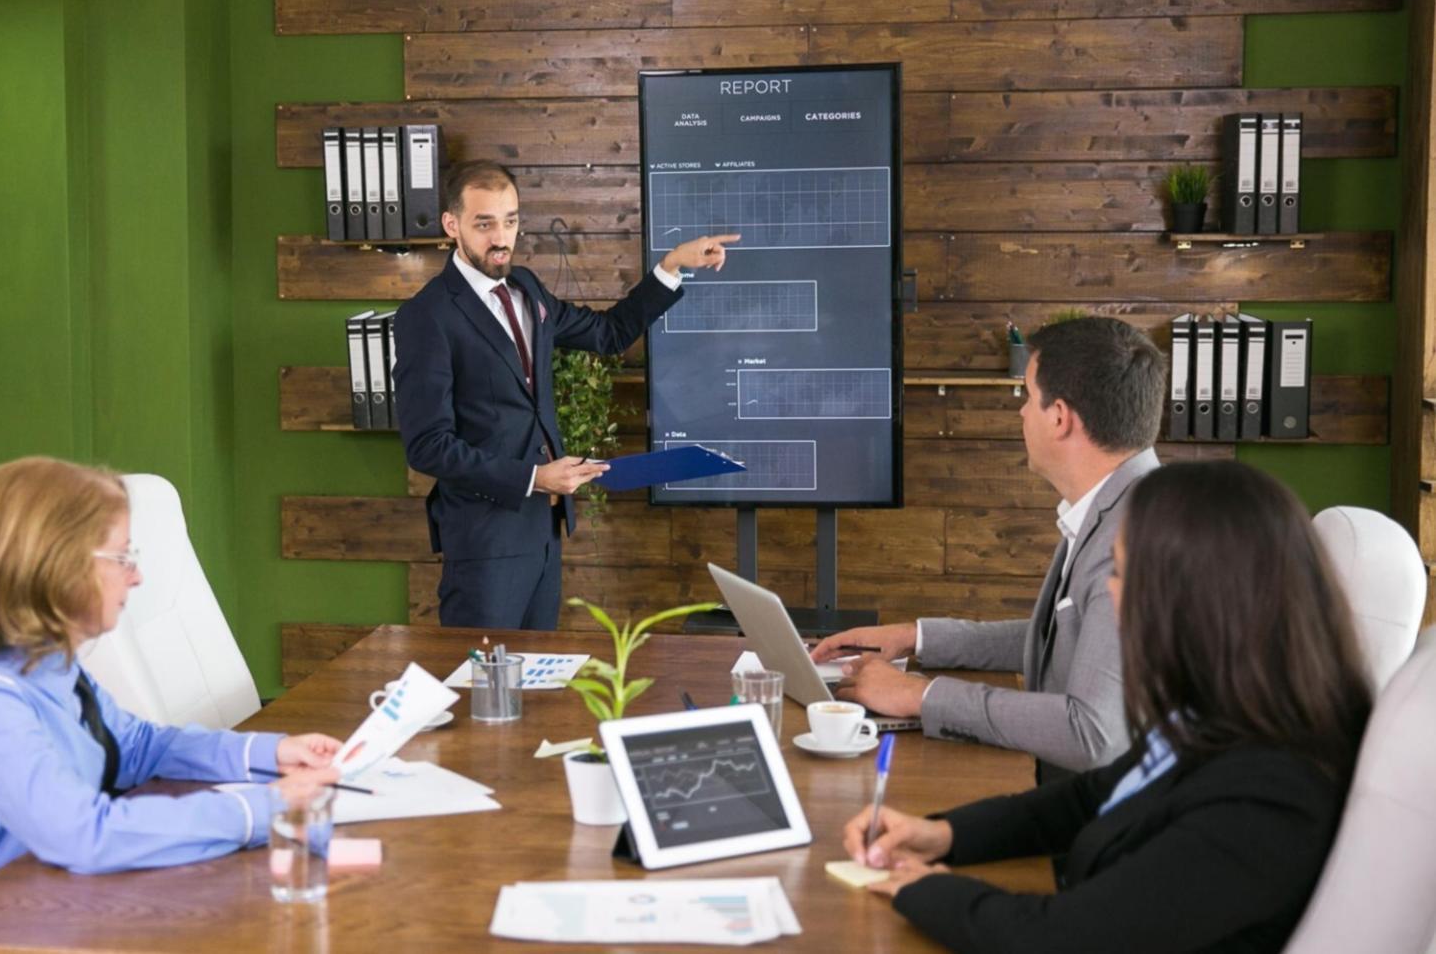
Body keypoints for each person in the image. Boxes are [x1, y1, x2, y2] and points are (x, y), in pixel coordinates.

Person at [843, 460, 1374, 953]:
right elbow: (1088, 799)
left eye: (1119, 574)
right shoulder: (1225, 716)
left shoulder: (1267, 798)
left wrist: (925, 890)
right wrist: (943, 834)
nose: (1110, 596)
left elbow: (1063, 940)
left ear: (1189, 600)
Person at [0, 457, 341, 913]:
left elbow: (137, 747)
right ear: (56, 564)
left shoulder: (53, 666)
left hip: (53, 912)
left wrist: (270, 754)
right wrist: (263, 809)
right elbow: (84, 835)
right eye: (122, 557)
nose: (137, 576)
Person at [393, 158, 738, 630]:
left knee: (535, 687)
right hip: (484, 542)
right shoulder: (427, 316)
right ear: (452, 225)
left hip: (544, 532)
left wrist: (671, 266)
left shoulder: (526, 287)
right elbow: (427, 446)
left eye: (510, 221)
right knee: (482, 689)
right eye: (485, 224)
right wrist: (534, 478)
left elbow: (608, 334)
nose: (501, 238)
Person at [813, 316, 1164, 777]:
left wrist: (919, 695)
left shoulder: (1137, 537)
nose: (1019, 412)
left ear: (1059, 418)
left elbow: (1090, 734)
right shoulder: (1127, 504)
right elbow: (1061, 641)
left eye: (1026, 396)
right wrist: (915, 638)